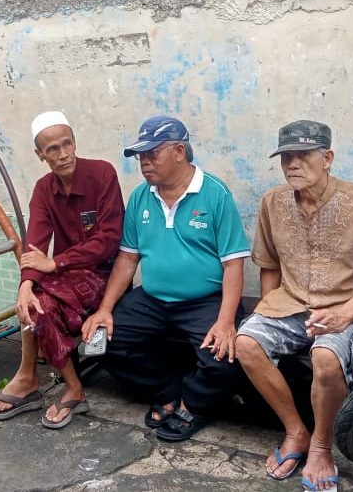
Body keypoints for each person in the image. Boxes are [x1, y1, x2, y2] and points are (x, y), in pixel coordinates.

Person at [234, 120, 353, 491]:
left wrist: (344, 315)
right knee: (246, 343)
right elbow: (268, 265)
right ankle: (296, 431)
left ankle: (320, 446)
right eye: (286, 157)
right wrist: (267, 308)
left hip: (351, 309)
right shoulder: (272, 202)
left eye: (303, 156)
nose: (293, 165)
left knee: (326, 358)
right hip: (291, 303)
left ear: (328, 158)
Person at [81, 115, 250, 442]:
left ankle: (194, 405)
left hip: (206, 302)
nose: (144, 163)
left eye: (151, 154)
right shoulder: (142, 198)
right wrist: (104, 309)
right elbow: (128, 259)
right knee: (103, 342)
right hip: (153, 300)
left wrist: (227, 320)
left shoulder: (214, 195)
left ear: (179, 151)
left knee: (224, 358)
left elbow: (233, 265)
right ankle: (168, 391)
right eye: (140, 157)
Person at [0, 110, 124, 428]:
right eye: (52, 150)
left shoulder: (102, 174)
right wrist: (26, 284)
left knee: (42, 301)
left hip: (102, 273)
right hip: (62, 278)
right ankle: (49, 382)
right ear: (40, 155)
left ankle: (48, 383)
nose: (63, 155)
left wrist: (56, 262)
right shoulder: (44, 189)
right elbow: (35, 245)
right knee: (34, 301)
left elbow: (109, 241)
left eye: (66, 144)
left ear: (74, 142)